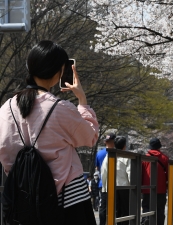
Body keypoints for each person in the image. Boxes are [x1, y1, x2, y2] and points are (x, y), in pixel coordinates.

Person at [0, 40, 99, 225]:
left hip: (22, 199)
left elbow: (5, 153)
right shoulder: (61, 108)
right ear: (58, 72)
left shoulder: (6, 109)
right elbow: (90, 136)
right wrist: (82, 100)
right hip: (68, 198)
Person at [102, 136, 131, 225]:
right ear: (124, 145)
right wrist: (133, 187)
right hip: (124, 187)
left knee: (115, 211)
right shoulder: (127, 156)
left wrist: (104, 186)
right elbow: (130, 173)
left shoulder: (109, 155)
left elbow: (104, 172)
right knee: (125, 211)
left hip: (111, 187)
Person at [141, 137, 169, 225]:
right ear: (159, 147)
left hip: (147, 189)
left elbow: (141, 174)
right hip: (161, 189)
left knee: (146, 208)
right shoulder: (165, 158)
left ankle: (146, 222)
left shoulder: (144, 158)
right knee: (160, 210)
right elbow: (168, 175)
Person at [95, 133, 116, 225]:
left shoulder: (99, 153)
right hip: (115, 183)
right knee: (115, 206)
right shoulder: (118, 153)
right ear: (114, 141)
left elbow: (97, 168)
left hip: (102, 184)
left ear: (105, 142)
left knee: (103, 206)